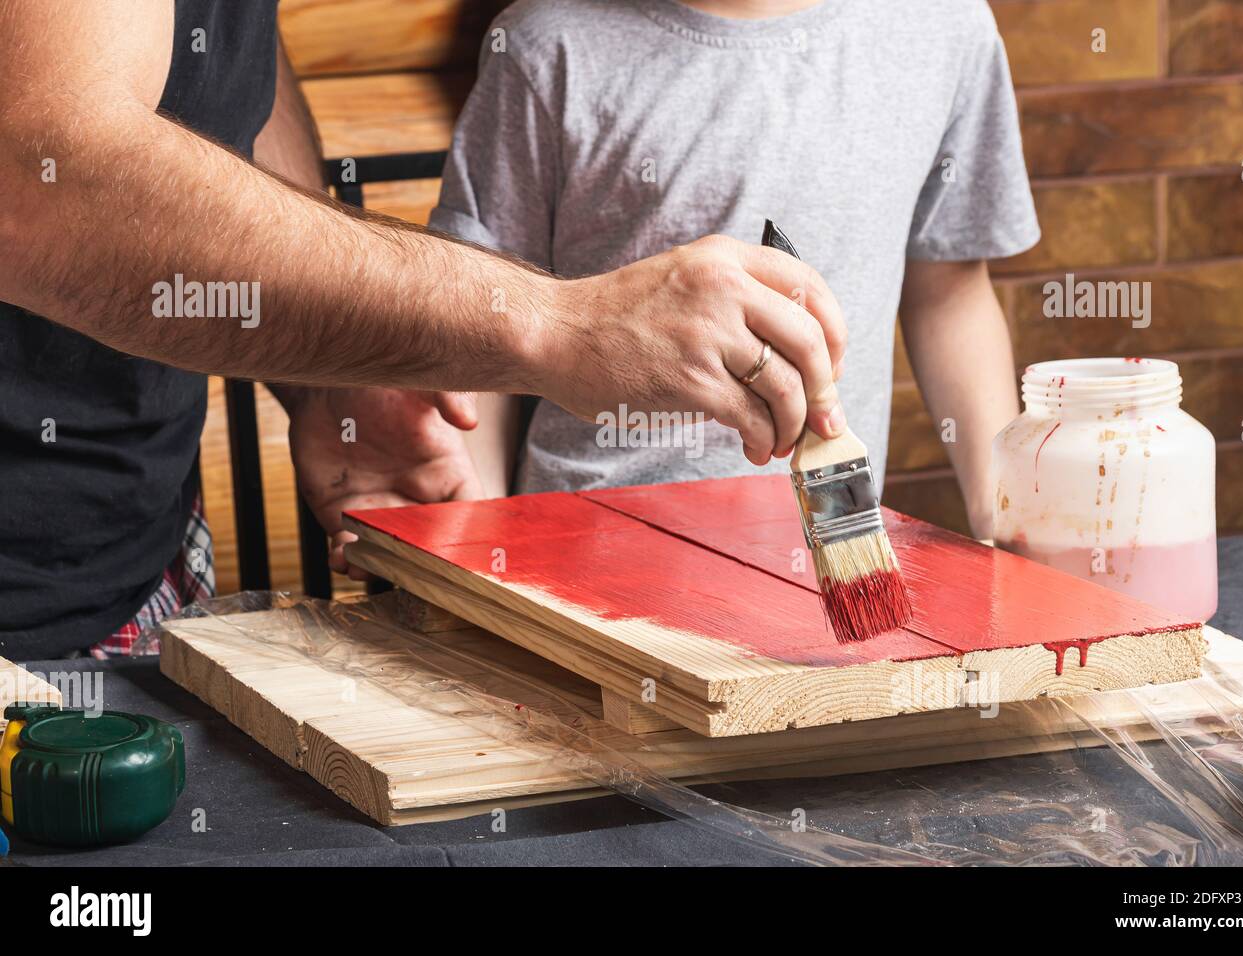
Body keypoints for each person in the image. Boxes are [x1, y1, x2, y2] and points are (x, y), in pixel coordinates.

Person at [0, 0, 847, 660]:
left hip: (130, 559)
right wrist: (561, 323)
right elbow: (42, 183)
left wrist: (331, 365)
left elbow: (215, 53)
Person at [429, 0, 1040, 535]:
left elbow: (949, 292)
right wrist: (471, 531)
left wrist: (1007, 507)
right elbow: (488, 326)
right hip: (586, 541)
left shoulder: (948, 26)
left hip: (824, 548)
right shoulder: (543, 43)